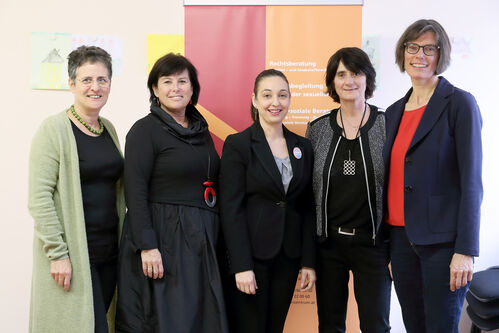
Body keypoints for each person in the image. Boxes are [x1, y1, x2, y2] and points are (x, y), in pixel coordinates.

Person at [115, 53, 229, 333]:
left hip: (200, 238)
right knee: (168, 320)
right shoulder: (144, 131)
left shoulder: (202, 130)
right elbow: (135, 191)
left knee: (201, 319)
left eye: (182, 81)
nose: (175, 88)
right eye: (167, 81)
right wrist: (147, 245)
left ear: (193, 89)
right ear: (155, 89)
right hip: (164, 239)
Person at [384, 19, 482, 333]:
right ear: (403, 53)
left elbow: (471, 183)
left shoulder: (459, 104)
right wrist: (387, 246)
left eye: (429, 48)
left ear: (441, 54)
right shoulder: (394, 112)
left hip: (443, 246)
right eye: (413, 47)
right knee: (414, 326)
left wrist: (465, 250)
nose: (420, 55)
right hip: (400, 241)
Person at [28, 45, 125, 333]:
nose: (95, 87)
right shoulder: (53, 129)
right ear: (71, 84)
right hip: (75, 257)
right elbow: (39, 198)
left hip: (109, 253)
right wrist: (57, 254)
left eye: (102, 80)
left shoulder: (108, 128)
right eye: (86, 80)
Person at [219, 69, 316, 333]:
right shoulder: (238, 144)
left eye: (282, 95)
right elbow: (231, 209)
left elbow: (307, 207)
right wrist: (241, 265)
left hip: (288, 255)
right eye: (267, 95)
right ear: (254, 100)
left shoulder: (303, 147)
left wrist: (308, 261)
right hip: (252, 258)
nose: (276, 102)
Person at [306, 47, 391, 333]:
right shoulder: (317, 129)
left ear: (368, 78)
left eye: (356, 73)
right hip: (329, 246)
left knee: (376, 325)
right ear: (332, 82)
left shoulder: (387, 123)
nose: (349, 81)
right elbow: (308, 193)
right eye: (341, 74)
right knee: (330, 325)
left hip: (374, 244)